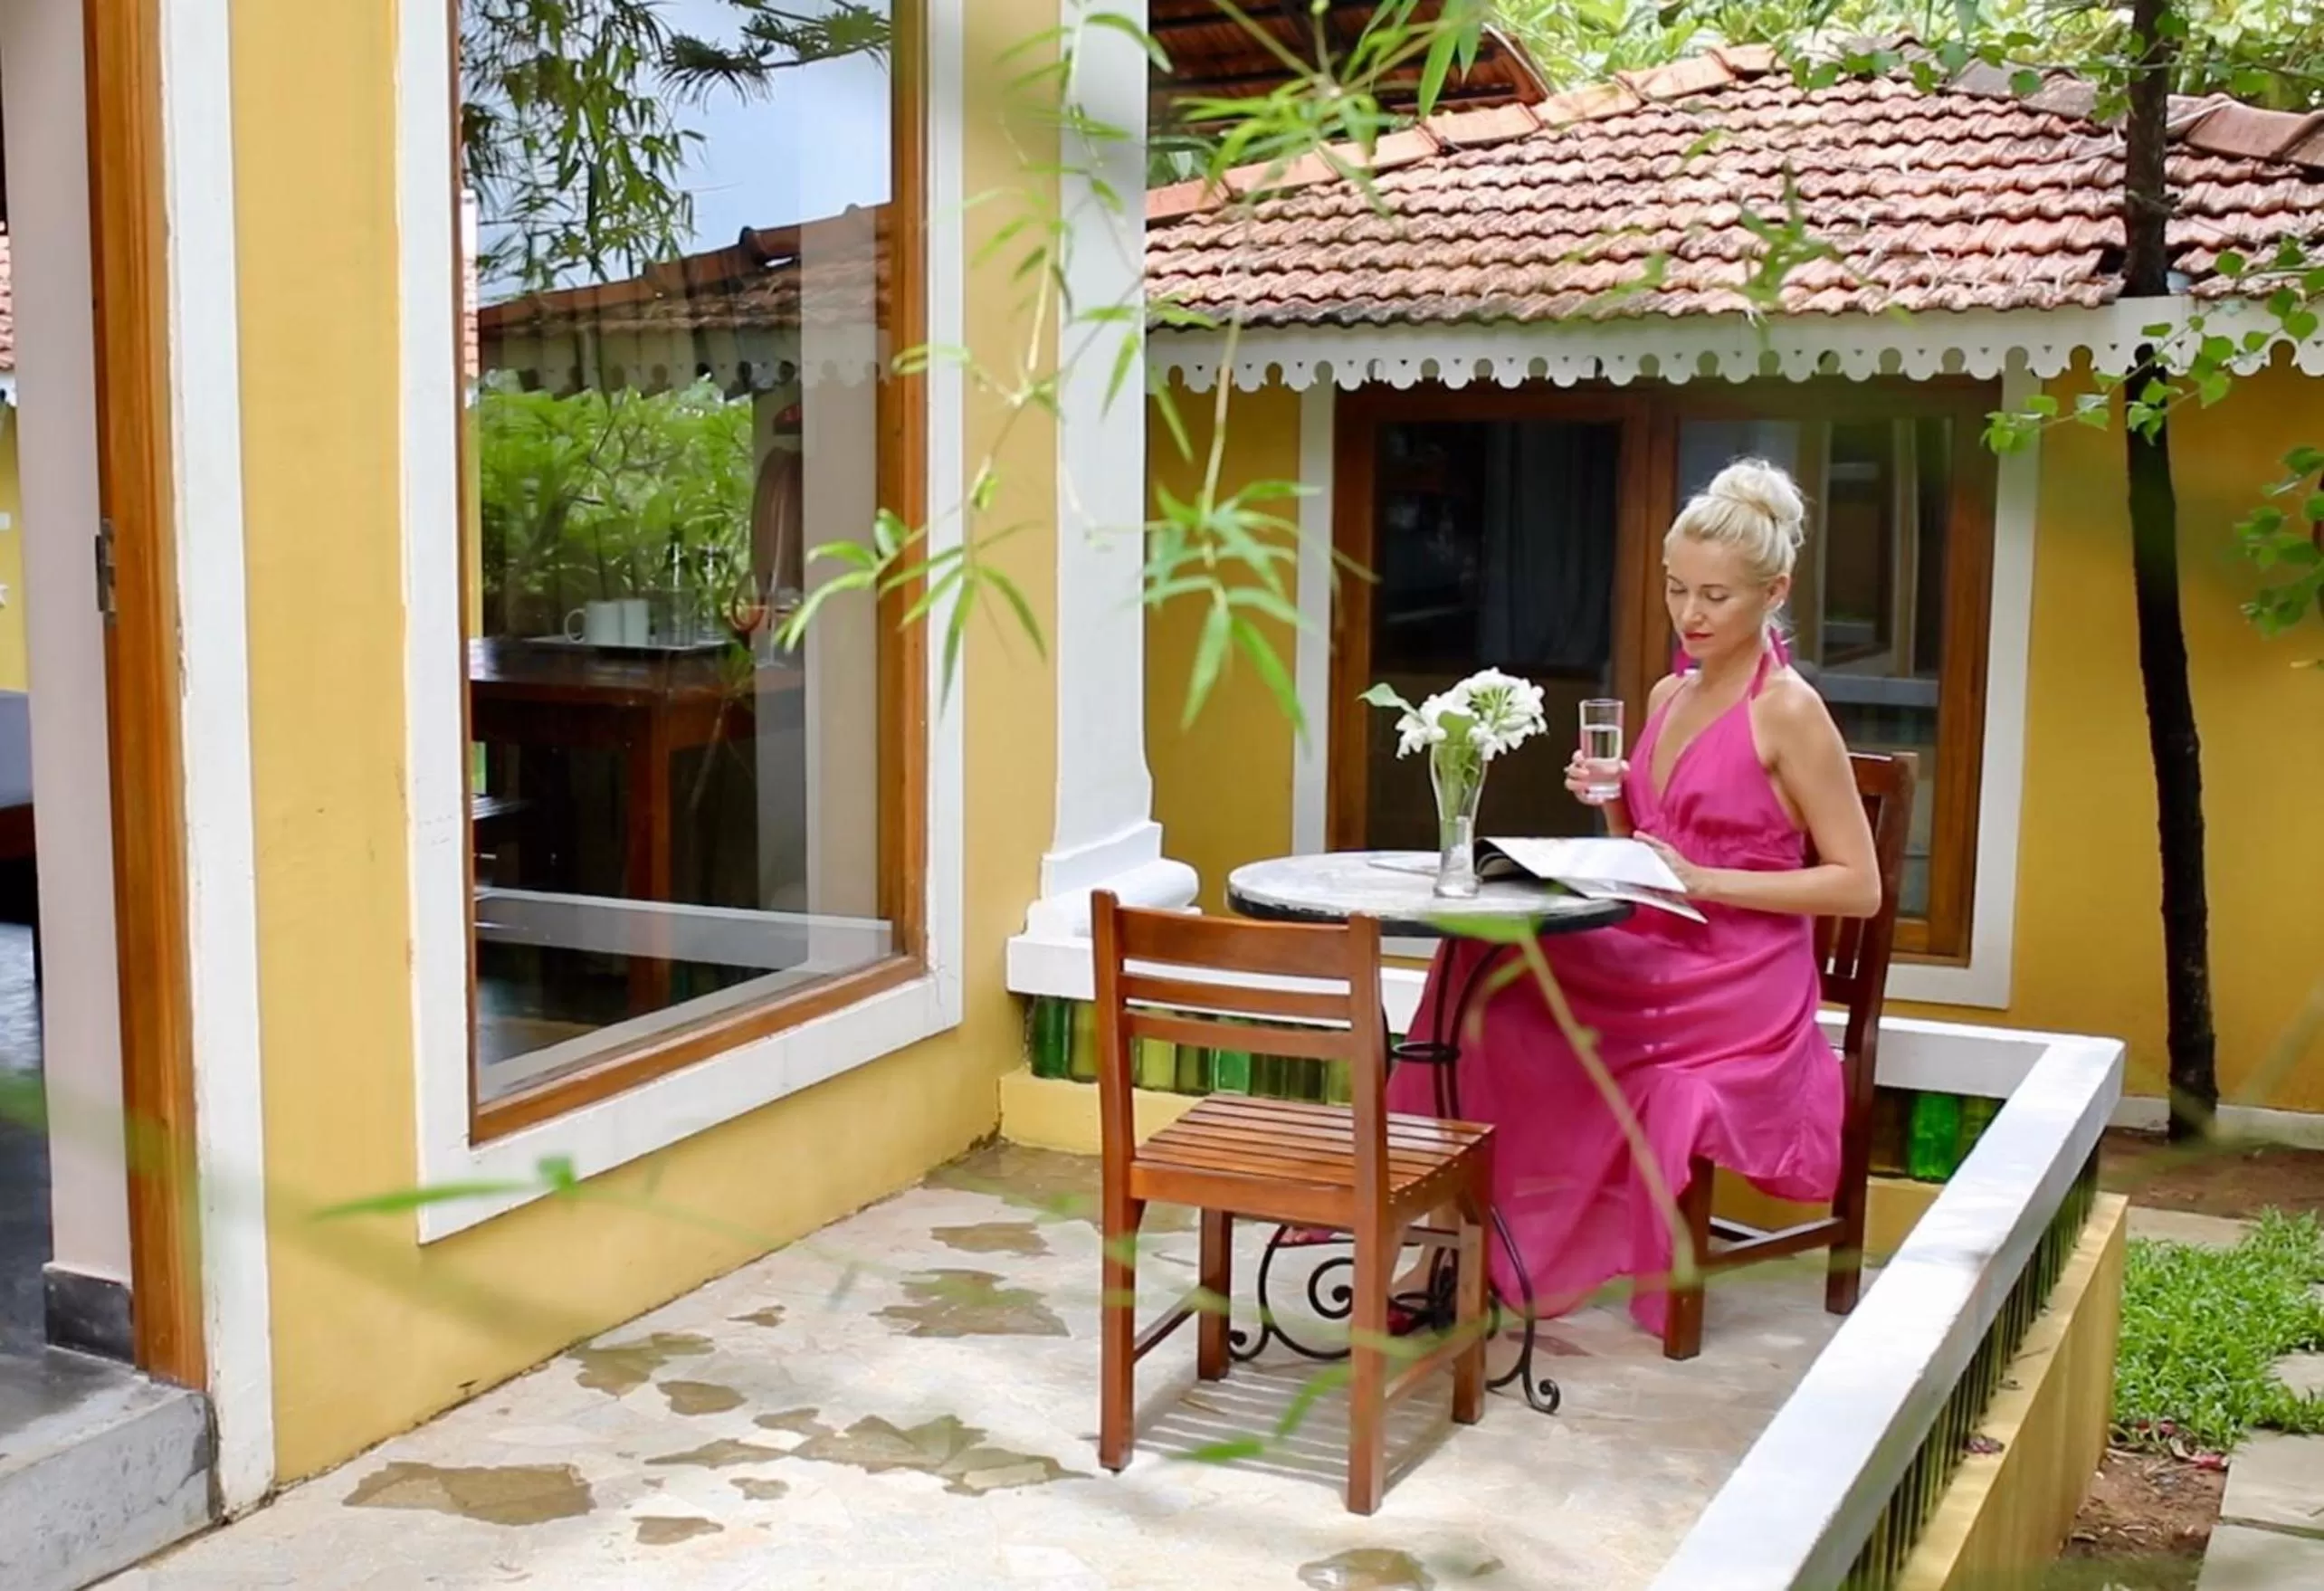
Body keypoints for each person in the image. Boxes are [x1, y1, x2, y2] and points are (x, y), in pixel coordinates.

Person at [1384, 458, 1883, 1339]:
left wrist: (1706, 881)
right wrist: (1615, 794)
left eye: (1716, 597)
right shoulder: (1668, 693)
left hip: (1740, 981)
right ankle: (1447, 1235)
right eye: (1676, 589)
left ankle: (1480, 1249)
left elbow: (1861, 885)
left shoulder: (1791, 712)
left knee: (1503, 990)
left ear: (1776, 592)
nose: (1689, 615)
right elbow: (1645, 854)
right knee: (1476, 958)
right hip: (1658, 945)